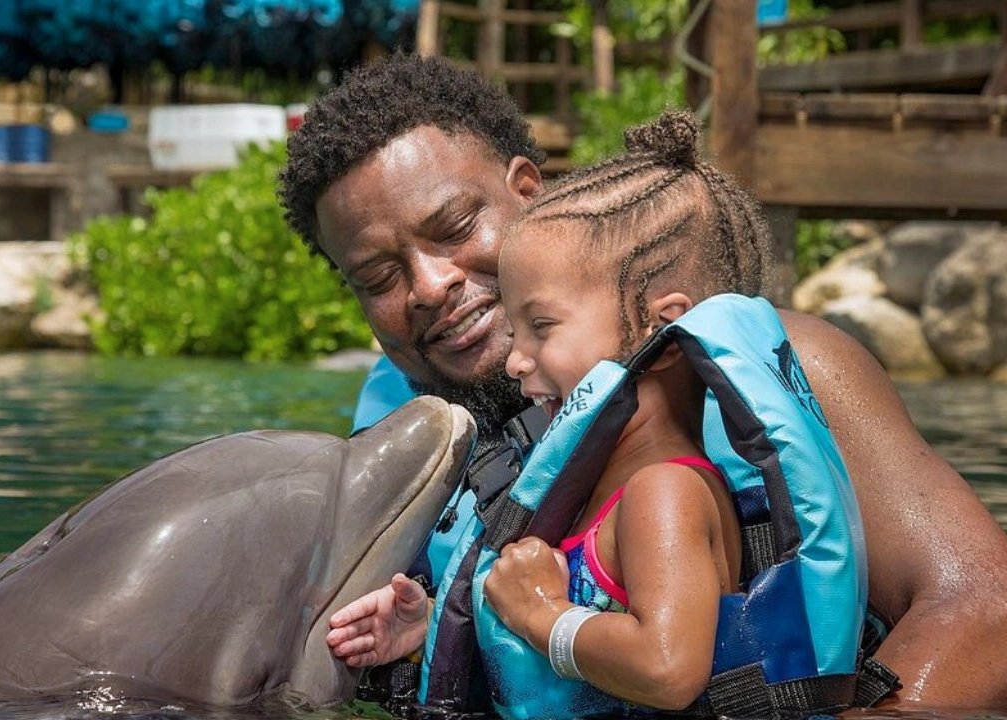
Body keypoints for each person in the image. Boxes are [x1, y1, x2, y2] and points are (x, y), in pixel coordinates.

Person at [279, 54, 1007, 710]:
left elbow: (984, 608)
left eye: (456, 226)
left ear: (526, 190)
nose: (430, 284)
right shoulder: (402, 445)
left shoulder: (776, 372)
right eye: (378, 276)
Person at [330, 110, 753, 712]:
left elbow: (668, 668)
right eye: (376, 277)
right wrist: (432, 627)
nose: (516, 361)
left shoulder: (665, 492)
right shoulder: (604, 491)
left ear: (660, 334)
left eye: (542, 328)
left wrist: (541, 615)